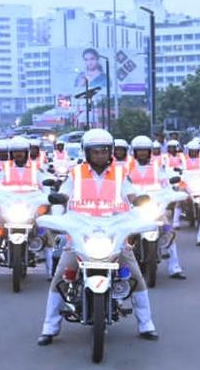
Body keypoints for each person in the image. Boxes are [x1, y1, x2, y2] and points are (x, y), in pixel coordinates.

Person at [39, 129, 157, 345]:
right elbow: (65, 192)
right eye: (95, 151)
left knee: (136, 276)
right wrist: (59, 197)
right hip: (81, 233)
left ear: (110, 151)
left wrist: (140, 200)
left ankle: (146, 324)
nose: (100, 155)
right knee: (59, 278)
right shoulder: (76, 173)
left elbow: (131, 193)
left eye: (104, 151)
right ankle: (49, 327)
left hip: (114, 232)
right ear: (87, 153)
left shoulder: (121, 173)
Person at [0, 136, 52, 284]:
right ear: (11, 153)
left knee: (46, 235)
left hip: (31, 209)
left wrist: (51, 187)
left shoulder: (36, 169)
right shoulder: (5, 169)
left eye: (21, 152)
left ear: (27, 153)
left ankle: (51, 272)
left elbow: (46, 182)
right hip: (8, 210)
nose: (19, 155)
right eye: (15, 152)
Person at [125, 135, 185, 280]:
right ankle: (123, 270)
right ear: (134, 152)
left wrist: (171, 195)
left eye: (145, 151)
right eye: (139, 151)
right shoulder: (127, 168)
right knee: (123, 236)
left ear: (150, 151)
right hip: (134, 209)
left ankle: (175, 268)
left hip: (154, 207)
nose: (142, 153)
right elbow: (122, 188)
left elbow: (165, 185)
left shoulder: (158, 166)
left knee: (169, 232)